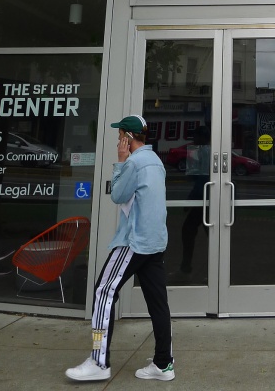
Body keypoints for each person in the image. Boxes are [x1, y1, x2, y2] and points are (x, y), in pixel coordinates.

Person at [65, 114, 175, 383]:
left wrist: (121, 161)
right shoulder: (156, 161)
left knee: (103, 292)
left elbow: (117, 195)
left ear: (127, 137)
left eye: (120, 134)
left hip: (133, 241)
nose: (118, 138)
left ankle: (98, 362)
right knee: (158, 302)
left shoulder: (135, 163)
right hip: (154, 242)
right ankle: (164, 363)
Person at [179, 126, 211, 276]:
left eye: (196, 137)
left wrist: (190, 200)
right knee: (209, 232)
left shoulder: (203, 152)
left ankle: (187, 266)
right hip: (207, 197)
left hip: (205, 198)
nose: (193, 140)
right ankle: (187, 266)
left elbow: (203, 179)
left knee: (189, 230)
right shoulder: (205, 151)